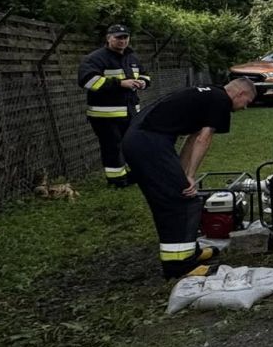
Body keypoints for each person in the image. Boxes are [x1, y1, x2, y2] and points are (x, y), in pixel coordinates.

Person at [123, 78, 257, 280]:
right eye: (247, 102)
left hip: (142, 139)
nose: (245, 107)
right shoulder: (221, 101)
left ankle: (189, 252)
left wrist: (184, 174)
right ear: (240, 94)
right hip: (149, 143)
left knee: (178, 193)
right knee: (181, 202)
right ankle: (179, 266)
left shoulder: (209, 94)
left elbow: (192, 138)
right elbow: (204, 138)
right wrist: (191, 175)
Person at [77, 23, 150, 187]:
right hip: (105, 115)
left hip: (130, 112)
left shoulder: (131, 57)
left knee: (132, 144)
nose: (122, 41)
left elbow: (145, 75)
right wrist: (120, 84)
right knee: (112, 147)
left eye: (125, 37)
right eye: (118, 38)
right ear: (108, 38)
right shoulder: (95, 58)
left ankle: (132, 175)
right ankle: (117, 180)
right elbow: (88, 81)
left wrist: (142, 82)